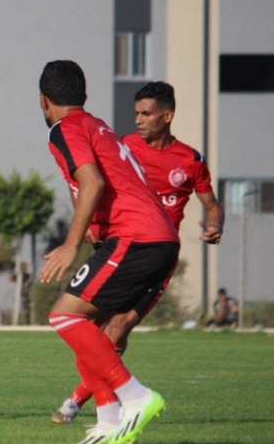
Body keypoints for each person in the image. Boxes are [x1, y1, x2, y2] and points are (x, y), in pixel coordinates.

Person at [51, 80, 225, 424]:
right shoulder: (123, 146)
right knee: (88, 327)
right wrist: (86, 224)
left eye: (146, 113)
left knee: (117, 326)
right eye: (136, 113)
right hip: (119, 244)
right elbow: (85, 182)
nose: (139, 120)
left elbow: (212, 205)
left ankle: (88, 403)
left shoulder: (189, 160)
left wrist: (215, 224)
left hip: (154, 250)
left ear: (168, 115)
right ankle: (109, 412)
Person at [38, 60, 180, 444]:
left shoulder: (64, 129)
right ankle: (108, 419)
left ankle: (135, 395)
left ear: (44, 100)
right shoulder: (97, 125)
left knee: (64, 315)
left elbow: (92, 181)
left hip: (136, 238)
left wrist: (71, 244)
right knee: (91, 329)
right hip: (154, 238)